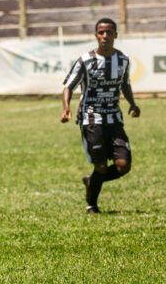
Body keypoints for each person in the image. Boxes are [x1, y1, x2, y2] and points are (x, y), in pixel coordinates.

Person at [60, 18, 141, 214]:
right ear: (96, 35)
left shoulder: (122, 60)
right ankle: (92, 205)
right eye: (101, 33)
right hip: (91, 118)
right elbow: (68, 86)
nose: (105, 36)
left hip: (114, 117)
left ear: (115, 35)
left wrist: (132, 103)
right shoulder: (85, 60)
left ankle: (91, 181)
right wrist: (66, 108)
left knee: (123, 165)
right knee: (102, 166)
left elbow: (124, 84)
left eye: (109, 32)